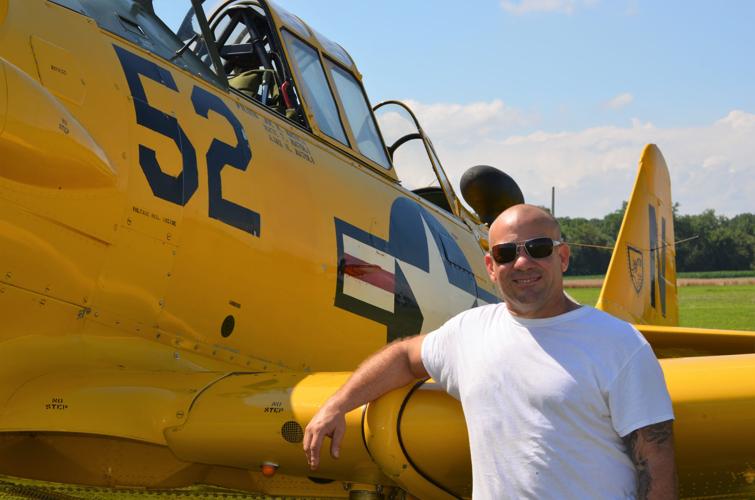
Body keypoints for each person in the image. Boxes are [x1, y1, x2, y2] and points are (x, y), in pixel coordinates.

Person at [304, 204, 677, 499]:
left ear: (562, 258)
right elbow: (403, 357)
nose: (522, 262)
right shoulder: (468, 331)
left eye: (538, 249)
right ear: (490, 267)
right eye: (505, 253)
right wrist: (337, 405)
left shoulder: (619, 343)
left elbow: (656, 463)